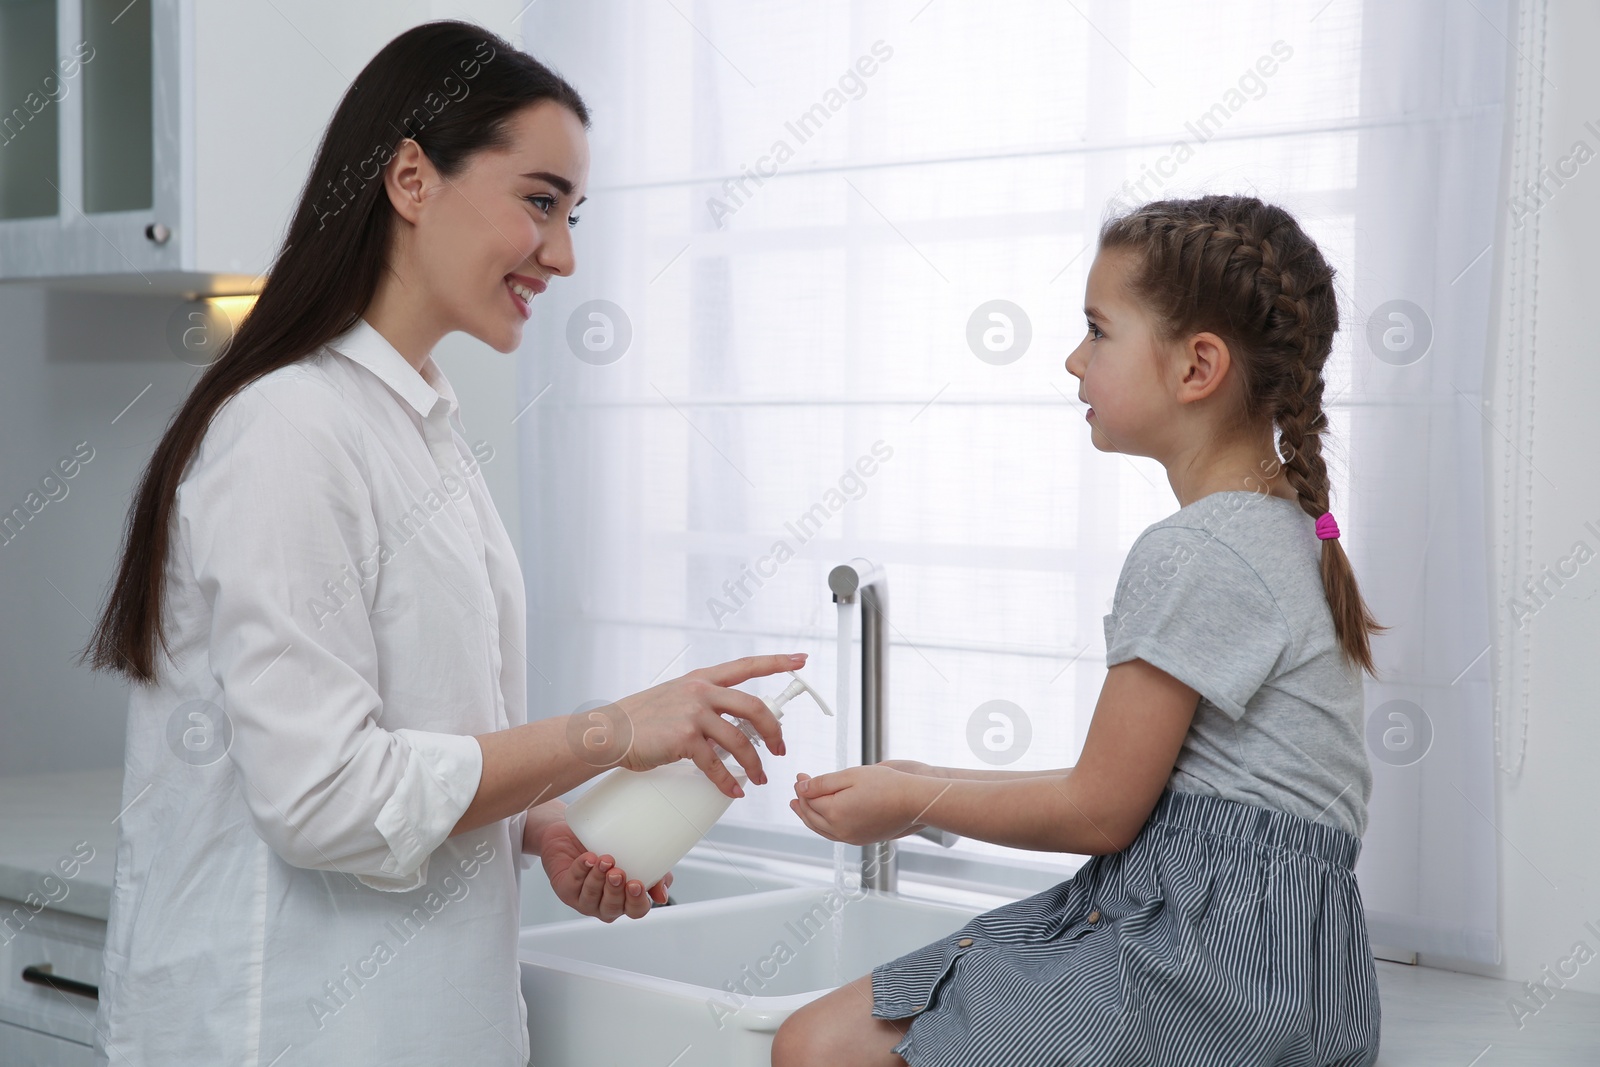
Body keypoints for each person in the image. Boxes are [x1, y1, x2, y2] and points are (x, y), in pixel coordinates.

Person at [79, 21, 799, 1066]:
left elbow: (427, 736)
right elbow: (325, 800)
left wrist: (538, 825)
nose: (563, 253)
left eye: (572, 213)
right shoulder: (289, 429)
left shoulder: (423, 426)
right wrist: (607, 732)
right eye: (540, 201)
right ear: (412, 179)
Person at [774, 194, 1387, 1066]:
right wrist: (915, 776)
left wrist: (910, 802)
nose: (1073, 358)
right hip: (1281, 970)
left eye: (1098, 331)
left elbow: (1100, 810)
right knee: (820, 1039)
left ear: (1197, 365)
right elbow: (1150, 793)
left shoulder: (1198, 549)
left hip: (1199, 961)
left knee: (817, 1047)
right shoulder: (1281, 530)